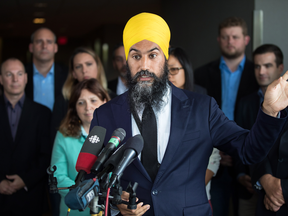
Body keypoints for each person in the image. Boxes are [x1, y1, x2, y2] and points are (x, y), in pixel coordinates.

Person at [89, 12, 288, 216]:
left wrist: (270, 111)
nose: (144, 66)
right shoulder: (105, 115)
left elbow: (249, 151)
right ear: (127, 62)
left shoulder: (202, 107)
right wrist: (113, 202)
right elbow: (90, 179)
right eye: (136, 56)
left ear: (166, 58)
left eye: (153, 55)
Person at [194, 17, 259, 216]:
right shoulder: (201, 74)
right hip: (214, 158)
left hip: (248, 162)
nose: (230, 41)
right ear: (218, 40)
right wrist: (215, 150)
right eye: (225, 37)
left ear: (246, 40)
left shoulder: (258, 73)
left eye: (235, 37)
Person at [235, 44, 286, 215]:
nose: (261, 71)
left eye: (267, 65)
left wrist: (275, 186)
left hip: (278, 190)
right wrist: (242, 174)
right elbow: (241, 138)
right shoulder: (245, 102)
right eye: (257, 66)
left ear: (280, 68)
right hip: (249, 185)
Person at [168, 47, 220, 213]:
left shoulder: (202, 104)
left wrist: (189, 189)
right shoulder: (153, 109)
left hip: (196, 197)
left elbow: (213, 154)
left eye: (174, 69)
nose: (169, 75)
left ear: (186, 70)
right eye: (164, 71)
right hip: (163, 199)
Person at [51, 78, 110, 216]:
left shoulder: (116, 135)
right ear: (74, 108)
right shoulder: (63, 135)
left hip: (108, 209)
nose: (88, 107)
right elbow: (57, 175)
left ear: (105, 102)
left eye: (93, 100)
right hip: (75, 210)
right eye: (81, 103)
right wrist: (84, 193)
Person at [0, 58, 51, 215]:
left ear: (26, 78)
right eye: (9, 74)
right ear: (1, 79)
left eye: (19, 74)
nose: (15, 79)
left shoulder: (43, 113)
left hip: (32, 198)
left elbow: (47, 154)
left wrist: (26, 180)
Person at [51, 47, 113, 143]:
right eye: (78, 66)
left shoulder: (114, 98)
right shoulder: (62, 102)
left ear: (98, 67)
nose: (84, 70)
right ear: (73, 73)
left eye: (89, 64)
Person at [26, 27, 68, 110]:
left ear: (55, 48)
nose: (44, 46)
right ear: (31, 47)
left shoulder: (68, 74)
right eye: (39, 41)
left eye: (49, 42)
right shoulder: (21, 74)